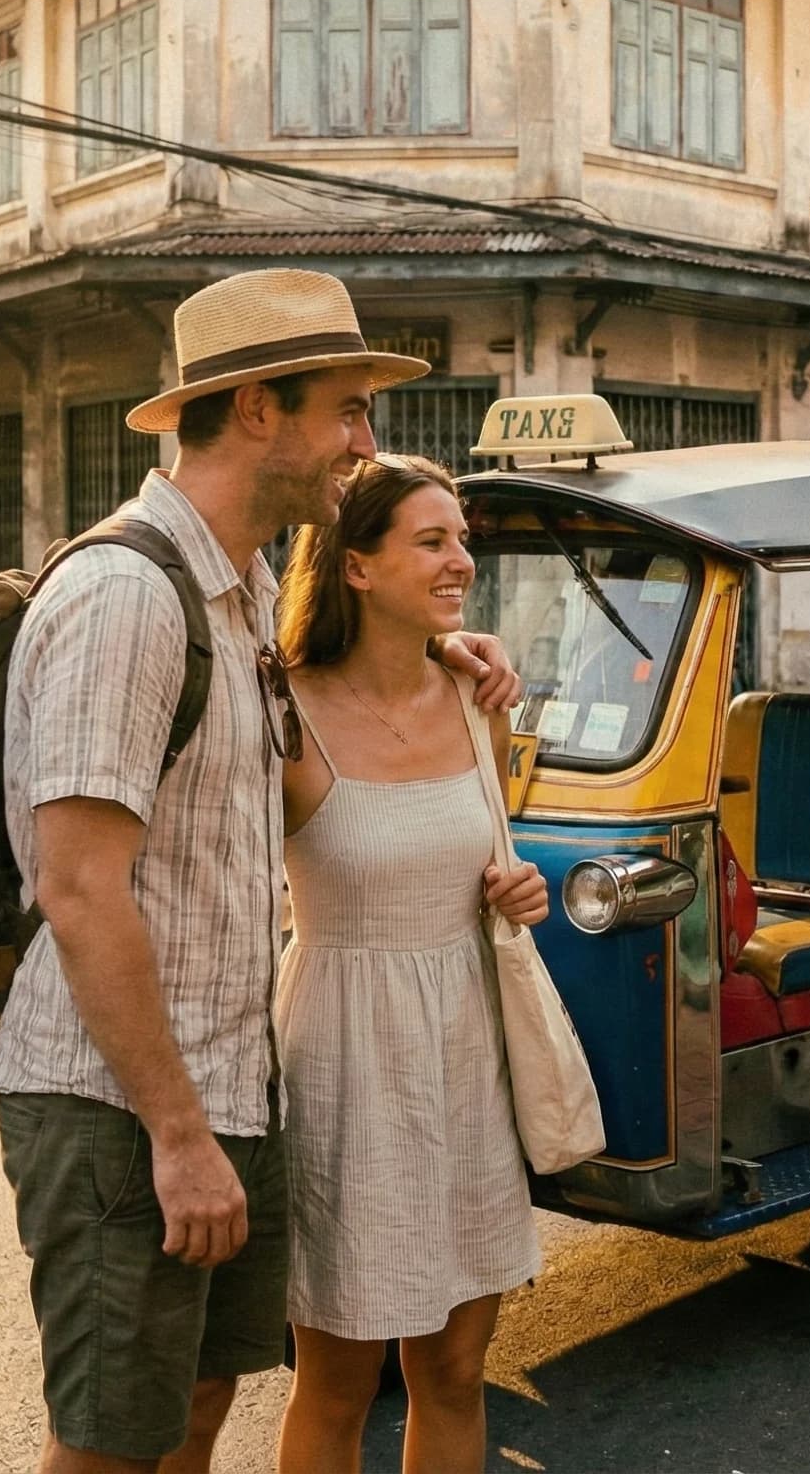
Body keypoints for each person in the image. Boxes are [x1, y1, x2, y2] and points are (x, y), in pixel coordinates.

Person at [0, 269, 515, 1474]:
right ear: (258, 411)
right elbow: (78, 889)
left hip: (227, 1089)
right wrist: (176, 1136)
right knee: (112, 1446)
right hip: (126, 1106)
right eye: (344, 410)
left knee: (192, 1413)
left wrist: (441, 644)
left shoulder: (245, 591)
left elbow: (330, 694)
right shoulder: (128, 593)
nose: (360, 446)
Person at [270, 454, 546, 1474]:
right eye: (431, 542)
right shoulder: (283, 711)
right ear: (353, 567)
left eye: (460, 540)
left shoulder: (478, 693)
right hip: (343, 1060)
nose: (459, 562)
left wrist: (518, 893)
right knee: (337, 1380)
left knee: (456, 1369)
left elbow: (494, 857)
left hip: (465, 1049)